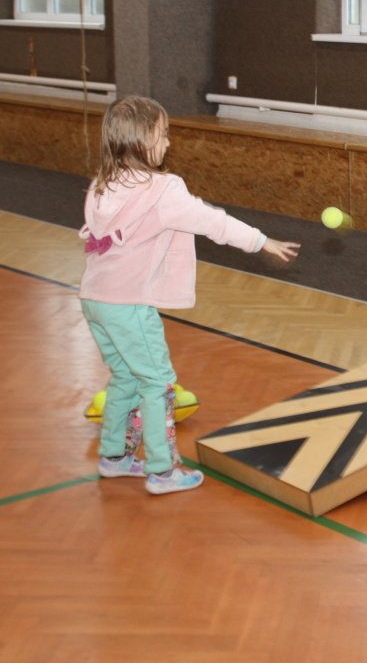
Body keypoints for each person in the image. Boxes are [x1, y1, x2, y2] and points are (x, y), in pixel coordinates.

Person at [79, 95, 300, 495]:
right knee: (157, 383)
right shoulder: (163, 190)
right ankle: (163, 471)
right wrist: (260, 241)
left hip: (95, 299)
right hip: (129, 305)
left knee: (126, 377)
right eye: (163, 134)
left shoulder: (102, 184)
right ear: (142, 140)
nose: (168, 142)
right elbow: (213, 221)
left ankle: (115, 456)